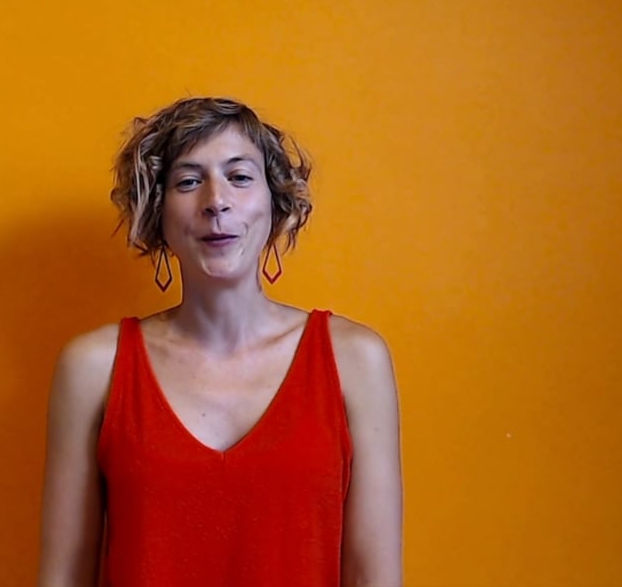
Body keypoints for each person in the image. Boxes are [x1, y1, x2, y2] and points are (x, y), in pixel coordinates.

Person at [37, 97, 403, 586]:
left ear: (276, 203)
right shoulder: (93, 366)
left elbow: (374, 578)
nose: (216, 201)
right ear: (157, 213)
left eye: (240, 176)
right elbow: (62, 578)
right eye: (188, 181)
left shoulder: (355, 359)